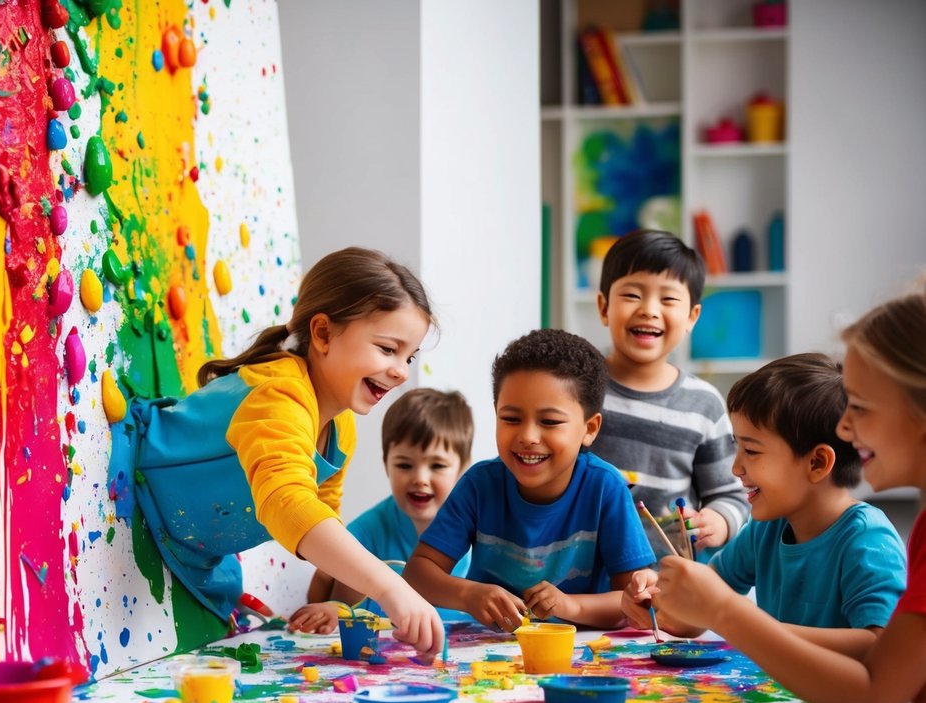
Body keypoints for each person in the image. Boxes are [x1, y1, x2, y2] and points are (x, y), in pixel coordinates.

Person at [123, 247, 445, 658]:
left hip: (193, 556)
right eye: (387, 349)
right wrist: (387, 585)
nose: (402, 370)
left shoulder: (341, 430)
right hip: (129, 502)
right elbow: (288, 504)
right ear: (324, 333)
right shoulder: (279, 394)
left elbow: (320, 519)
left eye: (409, 356)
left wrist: (340, 604)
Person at [653, 284, 926, 703]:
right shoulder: (768, 529)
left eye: (859, 405)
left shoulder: (867, 536)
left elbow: (873, 692)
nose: (844, 424)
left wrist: (726, 613)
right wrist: (679, 602)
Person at [622, 354, 906, 658]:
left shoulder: (867, 541)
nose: (736, 468)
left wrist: (741, 622)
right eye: (737, 447)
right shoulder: (765, 530)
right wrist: (658, 603)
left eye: (752, 451)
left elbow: (881, 647)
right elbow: (701, 613)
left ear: (817, 462)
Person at [402, 329, 654, 630]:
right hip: (485, 656)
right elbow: (418, 573)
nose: (527, 437)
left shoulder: (605, 489)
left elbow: (633, 603)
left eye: (549, 422)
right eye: (511, 419)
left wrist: (570, 605)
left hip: (582, 657)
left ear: (589, 428)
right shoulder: (479, 485)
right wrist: (468, 594)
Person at [593, 230, 749, 558]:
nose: (649, 310)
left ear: (692, 316)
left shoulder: (703, 404)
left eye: (668, 299)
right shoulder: (580, 388)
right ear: (604, 307)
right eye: (632, 295)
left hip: (667, 580)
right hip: (583, 578)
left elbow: (731, 494)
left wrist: (717, 521)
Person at [288, 388, 475, 634]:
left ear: (463, 468)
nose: (420, 478)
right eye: (404, 465)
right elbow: (335, 598)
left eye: (437, 465)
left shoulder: (479, 525)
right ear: (387, 464)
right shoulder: (367, 532)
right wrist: (334, 610)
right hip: (384, 653)